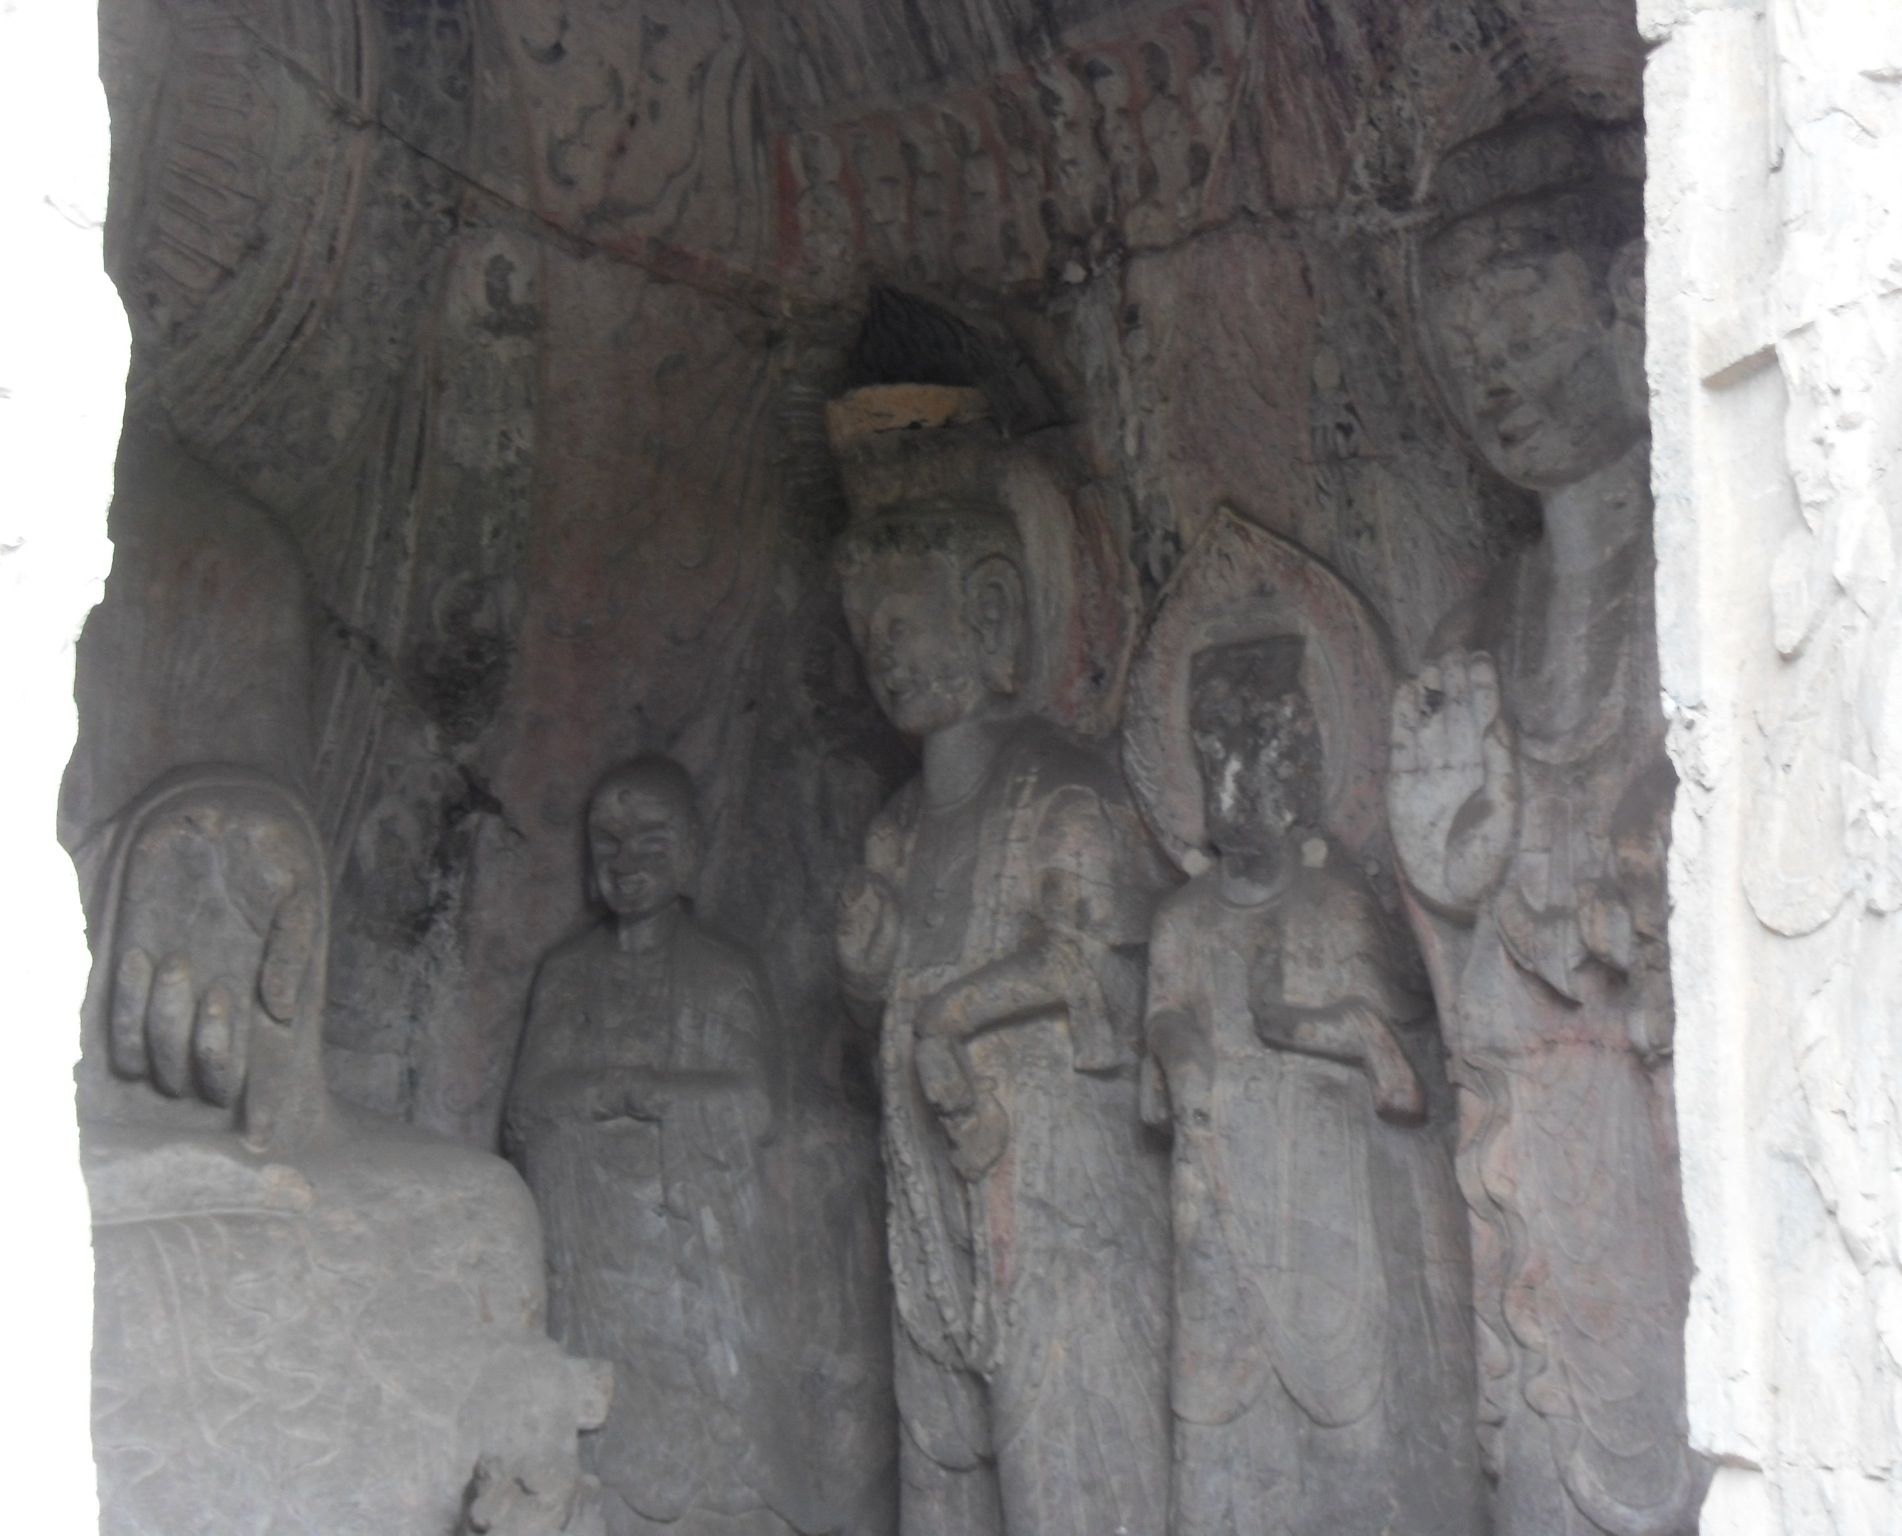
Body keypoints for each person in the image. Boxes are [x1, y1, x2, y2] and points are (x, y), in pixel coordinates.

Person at [1391, 117, 1707, 1536]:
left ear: (1631, 290)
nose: (1493, 370)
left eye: (1520, 311)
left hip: (1681, 1165)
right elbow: (1457, 987)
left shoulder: (1714, 581)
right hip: (1535, 1181)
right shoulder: (1477, 636)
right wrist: (1446, 892)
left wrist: (1637, 888)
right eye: (1462, 343)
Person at [81, 765, 607, 1536]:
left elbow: (533, 1473)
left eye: (268, 916)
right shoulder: (70, 1199)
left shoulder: (464, 1210)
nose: (247, 956)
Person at [832, 401, 1172, 1536]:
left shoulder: (1063, 790)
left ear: (990, 613)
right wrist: (869, 974)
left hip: (1055, 1189)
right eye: (865, 625)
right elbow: (866, 1012)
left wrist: (955, 1013)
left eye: (904, 617)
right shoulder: (894, 829)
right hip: (928, 1180)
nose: (882, 648)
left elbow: (1096, 976)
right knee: (941, 1453)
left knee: (1066, 1434)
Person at [505, 755, 787, 1536]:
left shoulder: (723, 974)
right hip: (593, 1243)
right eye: (609, 843)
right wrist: (602, 1095)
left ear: (690, 849)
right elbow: (528, 1110)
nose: (627, 863)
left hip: (689, 1239)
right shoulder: (568, 973)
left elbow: (754, 1104)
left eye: (651, 842)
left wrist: (653, 1096)